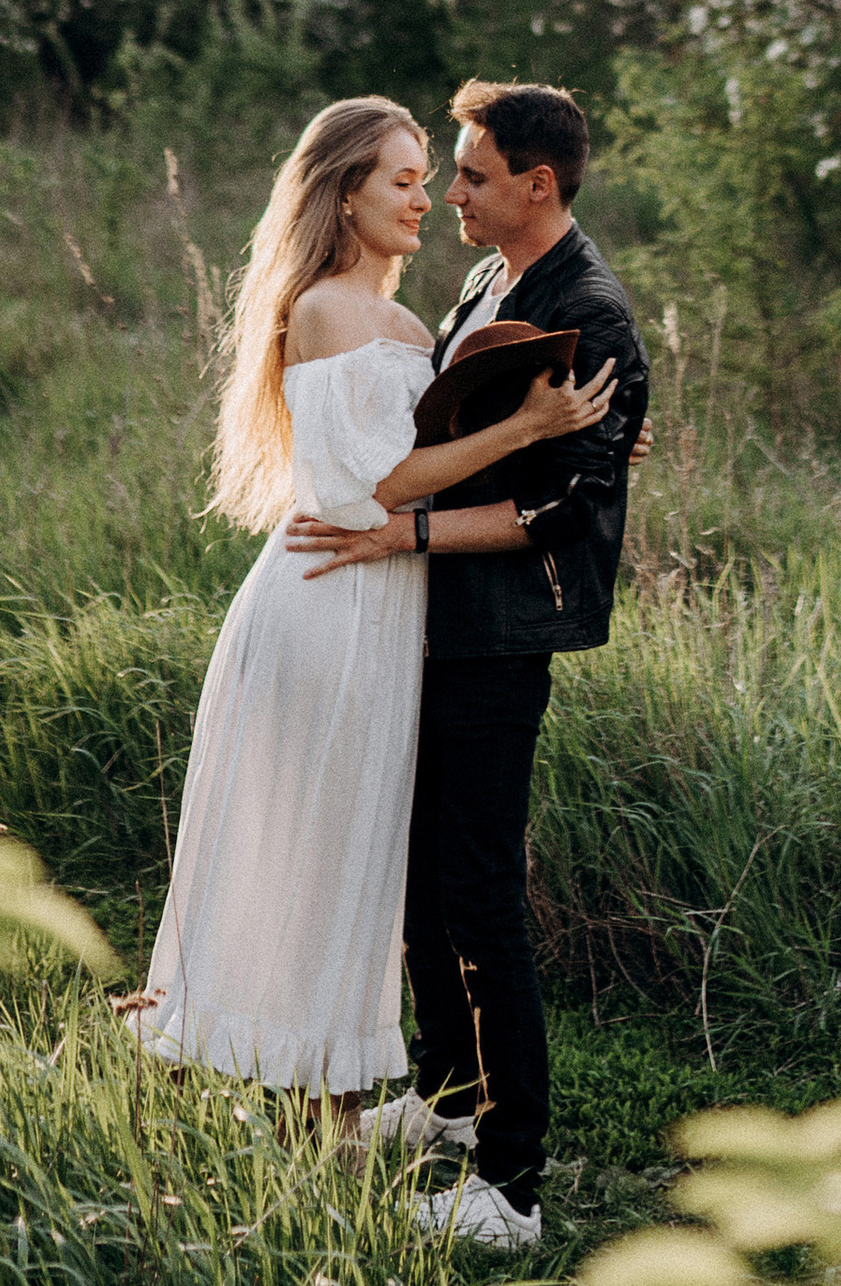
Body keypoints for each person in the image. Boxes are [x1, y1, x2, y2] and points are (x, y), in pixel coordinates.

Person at [124, 96, 611, 1125]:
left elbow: (438, 443)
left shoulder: (407, 320)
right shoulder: (327, 309)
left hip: (386, 607)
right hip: (329, 603)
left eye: (433, 179)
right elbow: (371, 488)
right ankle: (283, 1090)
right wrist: (529, 429)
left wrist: (587, 440)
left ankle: (321, 1096)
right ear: (346, 194)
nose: (427, 199)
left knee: (352, 857)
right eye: (403, 180)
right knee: (312, 849)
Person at [289, 76, 649, 1251]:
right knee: (423, 875)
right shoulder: (494, 277)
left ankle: (511, 1185)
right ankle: (447, 1094)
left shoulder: (588, 309)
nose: (452, 192)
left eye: (474, 175)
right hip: (436, 620)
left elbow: (561, 513)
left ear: (537, 185)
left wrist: (401, 535)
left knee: (482, 893)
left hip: (499, 634)